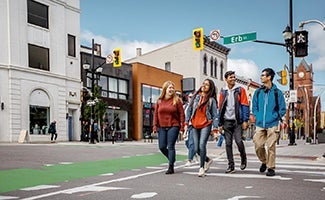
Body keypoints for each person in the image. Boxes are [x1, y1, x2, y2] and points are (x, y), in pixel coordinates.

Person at [252, 68, 286, 176]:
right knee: (258, 145)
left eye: (263, 75)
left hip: (272, 124)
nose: (261, 77)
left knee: (271, 146)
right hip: (260, 123)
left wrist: (275, 117)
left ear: (269, 77)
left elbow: (282, 109)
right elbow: (255, 107)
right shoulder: (258, 92)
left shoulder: (277, 93)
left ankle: (271, 168)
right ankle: (264, 161)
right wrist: (257, 116)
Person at [185, 79, 219, 177]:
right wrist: (186, 123)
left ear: (210, 88)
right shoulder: (195, 97)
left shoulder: (211, 100)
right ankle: (208, 160)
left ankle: (201, 167)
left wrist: (215, 129)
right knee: (196, 148)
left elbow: (215, 115)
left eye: (207, 85)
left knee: (202, 144)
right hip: (195, 124)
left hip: (206, 124)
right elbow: (189, 110)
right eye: (203, 83)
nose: (204, 85)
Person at [218, 71, 250, 173]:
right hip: (226, 121)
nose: (233, 79)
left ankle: (243, 157)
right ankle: (231, 166)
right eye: (230, 77)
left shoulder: (240, 90)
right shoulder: (223, 91)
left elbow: (245, 105)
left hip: (237, 121)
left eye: (234, 77)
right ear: (226, 79)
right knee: (228, 143)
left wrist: (245, 120)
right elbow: (220, 108)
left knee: (239, 141)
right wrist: (220, 124)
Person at [153, 81, 185, 174]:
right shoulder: (159, 101)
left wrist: (182, 127)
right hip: (161, 127)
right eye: (169, 88)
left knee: (171, 146)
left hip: (173, 126)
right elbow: (155, 114)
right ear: (165, 89)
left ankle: (171, 166)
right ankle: (172, 158)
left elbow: (182, 114)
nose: (171, 89)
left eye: (172, 88)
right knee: (162, 147)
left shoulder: (177, 100)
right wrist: (155, 126)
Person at [183, 92, 199, 167]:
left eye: (193, 97)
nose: (191, 98)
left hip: (194, 125)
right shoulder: (185, 106)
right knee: (187, 143)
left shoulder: (196, 105)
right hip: (187, 126)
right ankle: (195, 154)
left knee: (191, 143)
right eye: (189, 97)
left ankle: (190, 159)